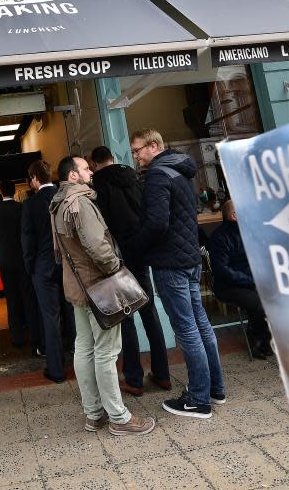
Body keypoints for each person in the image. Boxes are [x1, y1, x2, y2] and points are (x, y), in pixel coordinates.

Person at [50, 155, 156, 436]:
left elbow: (61, 253)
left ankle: (94, 414)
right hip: (99, 286)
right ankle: (119, 417)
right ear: (73, 175)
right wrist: (116, 270)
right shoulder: (81, 202)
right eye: (85, 168)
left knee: (84, 348)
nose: (91, 172)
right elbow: (97, 245)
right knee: (106, 352)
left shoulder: (58, 203)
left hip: (77, 288)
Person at [131, 128, 226, 419]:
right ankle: (215, 389)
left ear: (154, 145)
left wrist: (135, 247)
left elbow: (158, 223)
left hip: (170, 262)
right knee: (200, 323)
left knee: (186, 328)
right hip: (189, 259)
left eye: (138, 150)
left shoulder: (158, 175)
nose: (135, 156)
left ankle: (198, 399)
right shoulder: (180, 171)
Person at [89, 146, 172, 396]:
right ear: (113, 159)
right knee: (149, 310)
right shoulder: (135, 178)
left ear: (94, 164)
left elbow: (102, 225)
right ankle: (163, 374)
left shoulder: (99, 186)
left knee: (126, 315)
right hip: (140, 251)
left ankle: (134, 379)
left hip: (119, 256)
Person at [21, 160, 76, 383]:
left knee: (50, 317)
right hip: (68, 264)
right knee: (73, 313)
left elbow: (27, 241)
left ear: (35, 178)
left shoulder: (30, 205)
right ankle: (81, 360)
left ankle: (56, 369)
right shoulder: (65, 196)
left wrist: (31, 268)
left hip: (43, 268)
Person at [207, 199, 273, 358]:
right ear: (235, 215)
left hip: (251, 281)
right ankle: (257, 339)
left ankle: (266, 339)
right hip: (228, 286)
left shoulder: (250, 232)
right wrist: (250, 280)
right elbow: (222, 270)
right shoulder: (220, 238)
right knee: (260, 304)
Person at [0, 179, 43, 353]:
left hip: (5, 260)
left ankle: (17, 337)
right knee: (28, 297)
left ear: (1, 192)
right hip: (23, 259)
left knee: (11, 298)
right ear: (14, 192)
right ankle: (34, 336)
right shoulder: (22, 208)